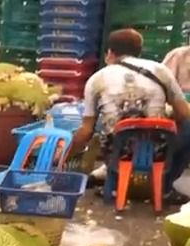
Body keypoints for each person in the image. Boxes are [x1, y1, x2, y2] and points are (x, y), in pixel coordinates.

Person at [73, 28, 190, 204]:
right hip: (158, 150)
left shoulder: (96, 79)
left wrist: (67, 154)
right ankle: (164, 188)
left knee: (100, 122)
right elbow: (185, 114)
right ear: (139, 52)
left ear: (110, 53)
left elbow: (86, 131)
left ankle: (112, 182)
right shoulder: (160, 70)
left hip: (118, 150)